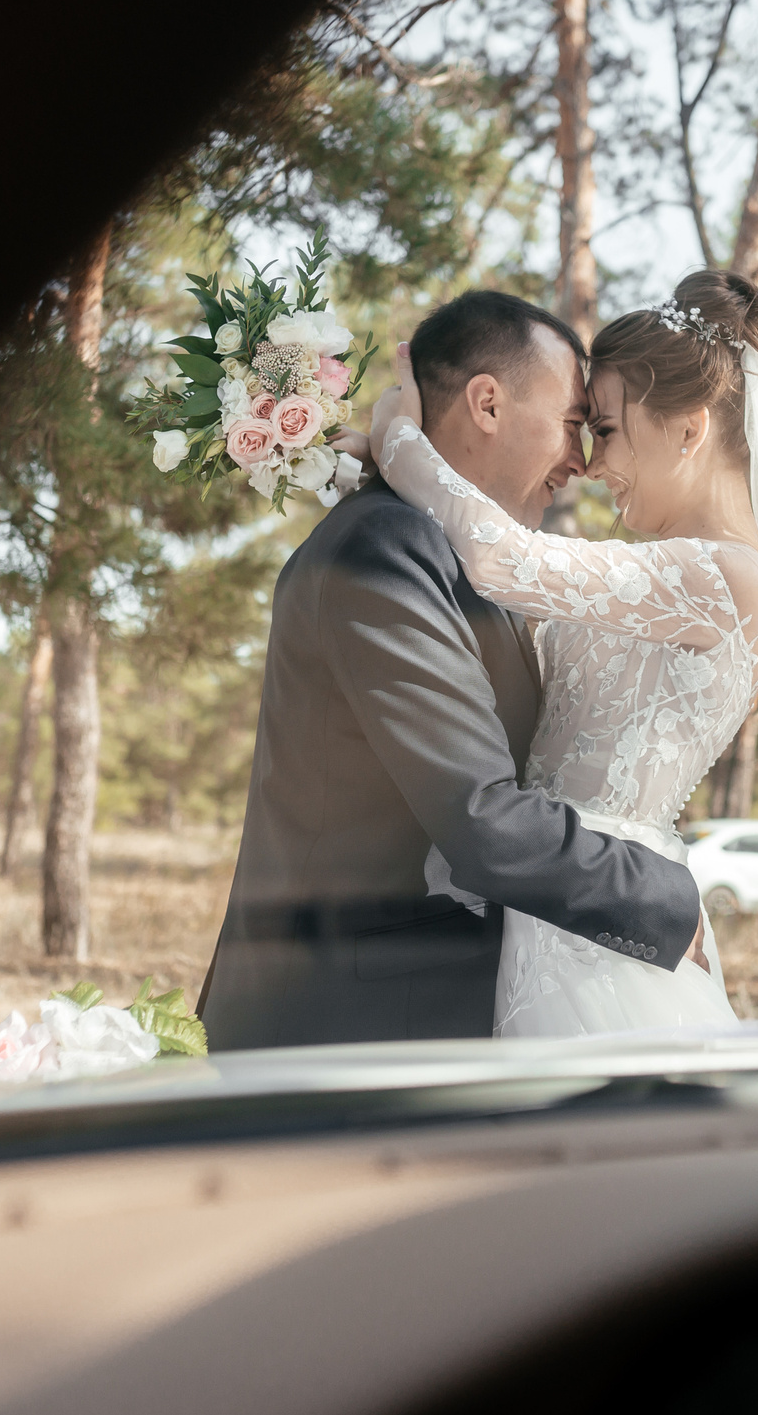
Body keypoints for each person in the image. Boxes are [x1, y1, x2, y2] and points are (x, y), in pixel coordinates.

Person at [355, 270, 758, 1035]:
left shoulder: (730, 579)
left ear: (688, 426)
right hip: (548, 908)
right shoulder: (652, 573)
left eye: (604, 428)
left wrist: (398, 435)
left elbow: (502, 560)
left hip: (603, 937)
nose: (588, 460)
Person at [196, 291, 708, 1049]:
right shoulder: (383, 549)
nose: (582, 460)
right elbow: (481, 817)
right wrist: (667, 898)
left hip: (425, 1012)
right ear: (488, 403)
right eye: (573, 425)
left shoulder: (460, 561)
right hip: (344, 1031)